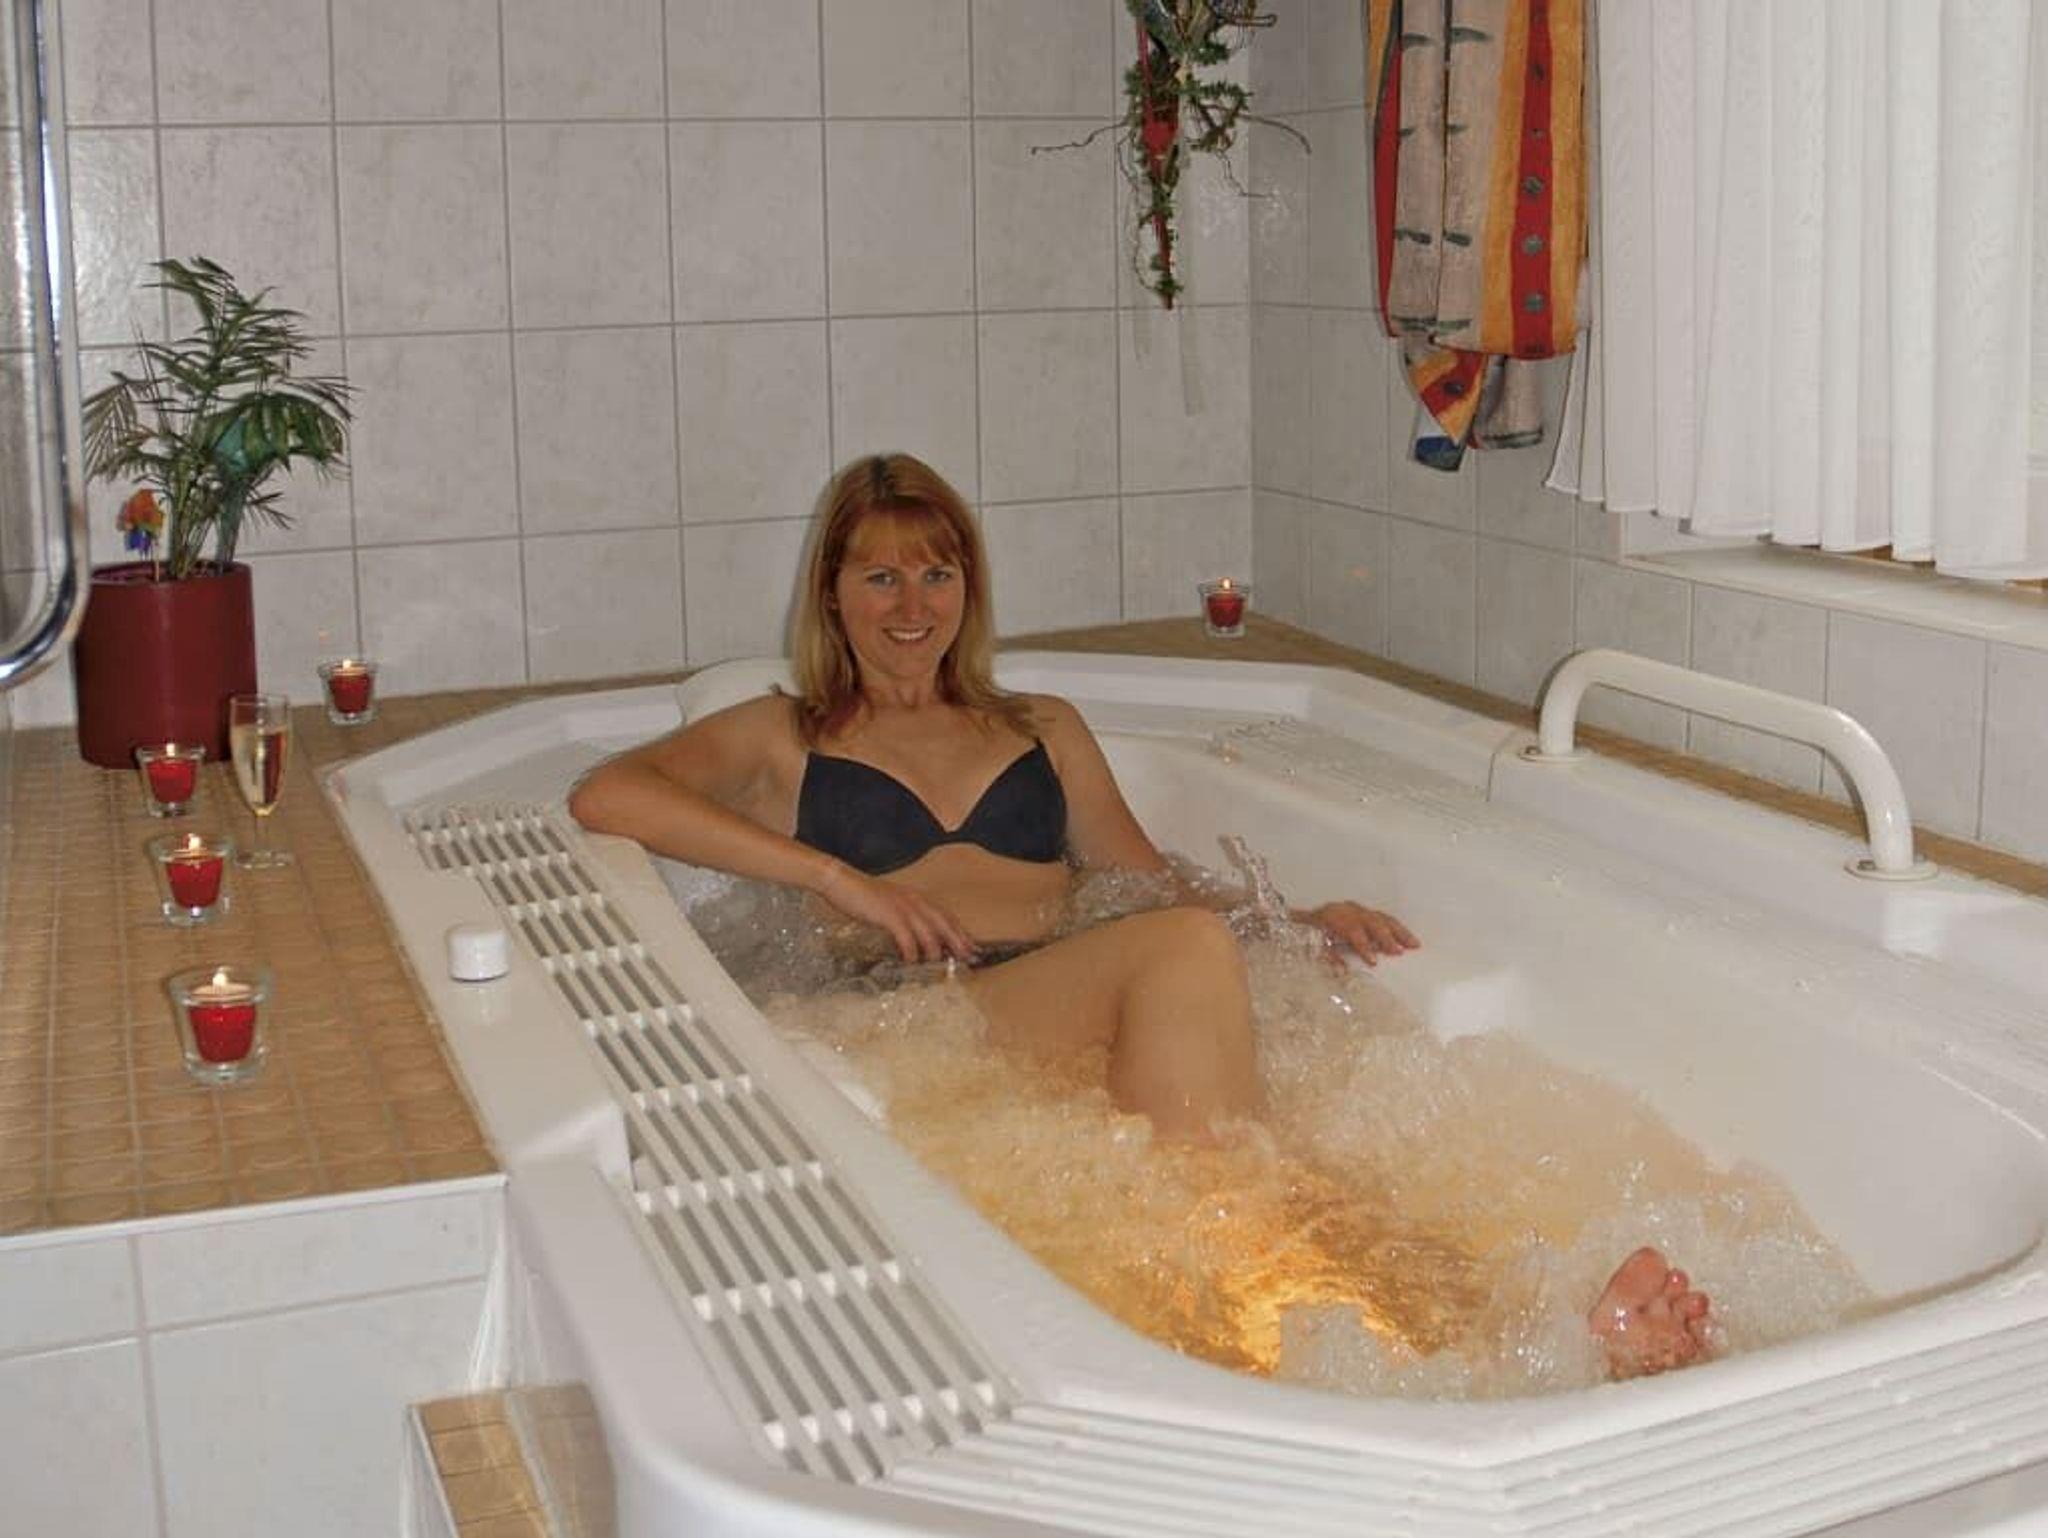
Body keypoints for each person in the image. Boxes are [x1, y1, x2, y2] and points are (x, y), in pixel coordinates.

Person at [568, 452, 1712, 1380]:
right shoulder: (786, 735)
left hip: (1060, 1002)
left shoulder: (1040, 725)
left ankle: (1509, 1327)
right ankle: (1492, 1344)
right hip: (907, 1022)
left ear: (969, 586)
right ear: (830, 594)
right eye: (880, 578)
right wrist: (837, 879)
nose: (912, 607)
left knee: (1279, 1167)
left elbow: (1144, 880)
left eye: (937, 574)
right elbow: (607, 794)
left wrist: (1292, 916)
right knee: (1222, 1091)